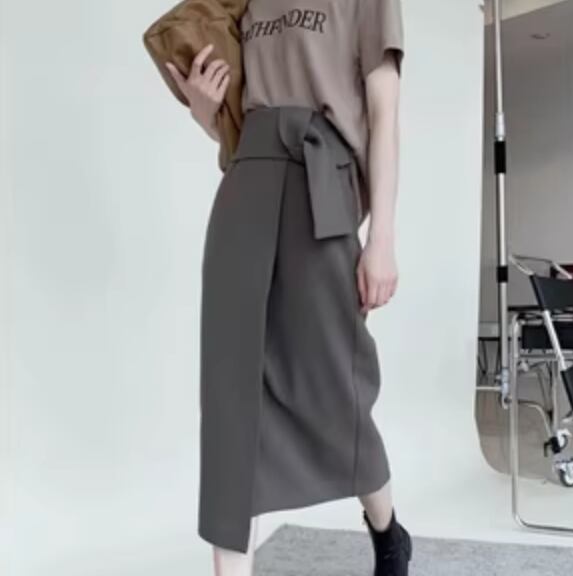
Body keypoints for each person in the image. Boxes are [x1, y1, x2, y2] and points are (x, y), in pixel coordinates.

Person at [166, 0, 411, 574]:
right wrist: (205, 111)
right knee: (230, 396)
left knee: (335, 384)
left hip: (322, 183)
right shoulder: (242, 4)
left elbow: (384, 112)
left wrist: (382, 238)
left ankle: (387, 529)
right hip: (246, 182)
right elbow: (234, 124)